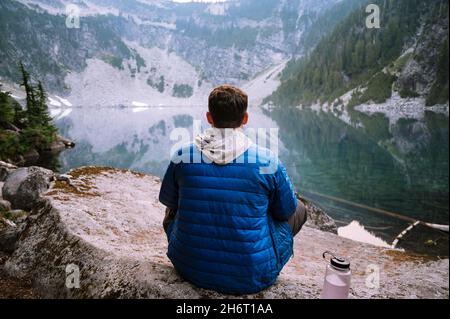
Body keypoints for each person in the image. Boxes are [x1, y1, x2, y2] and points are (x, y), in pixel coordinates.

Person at [159, 85, 307, 295]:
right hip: (252, 275)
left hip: (189, 267)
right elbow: (285, 213)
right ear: (245, 119)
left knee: (173, 204)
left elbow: (170, 203)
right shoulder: (267, 160)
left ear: (209, 117)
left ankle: (193, 246)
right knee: (298, 208)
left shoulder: (182, 154)